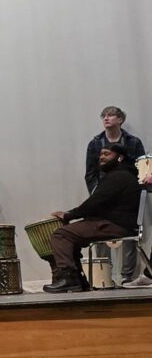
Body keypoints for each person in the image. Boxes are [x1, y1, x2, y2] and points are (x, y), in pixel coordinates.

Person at [46, 144, 141, 292]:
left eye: (107, 154)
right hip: (116, 223)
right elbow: (97, 204)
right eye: (101, 154)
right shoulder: (124, 175)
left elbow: (95, 202)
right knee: (72, 237)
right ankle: (79, 280)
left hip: (114, 225)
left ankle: (68, 278)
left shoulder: (118, 177)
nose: (101, 157)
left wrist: (69, 215)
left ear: (120, 157)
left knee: (61, 235)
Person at [85, 106, 145, 283]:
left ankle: (127, 276)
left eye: (110, 115)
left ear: (120, 119)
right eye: (103, 115)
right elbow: (90, 172)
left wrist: (135, 189)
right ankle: (104, 275)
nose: (106, 118)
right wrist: (96, 193)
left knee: (129, 232)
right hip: (104, 193)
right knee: (100, 231)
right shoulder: (95, 143)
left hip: (128, 193)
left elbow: (141, 167)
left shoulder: (133, 142)